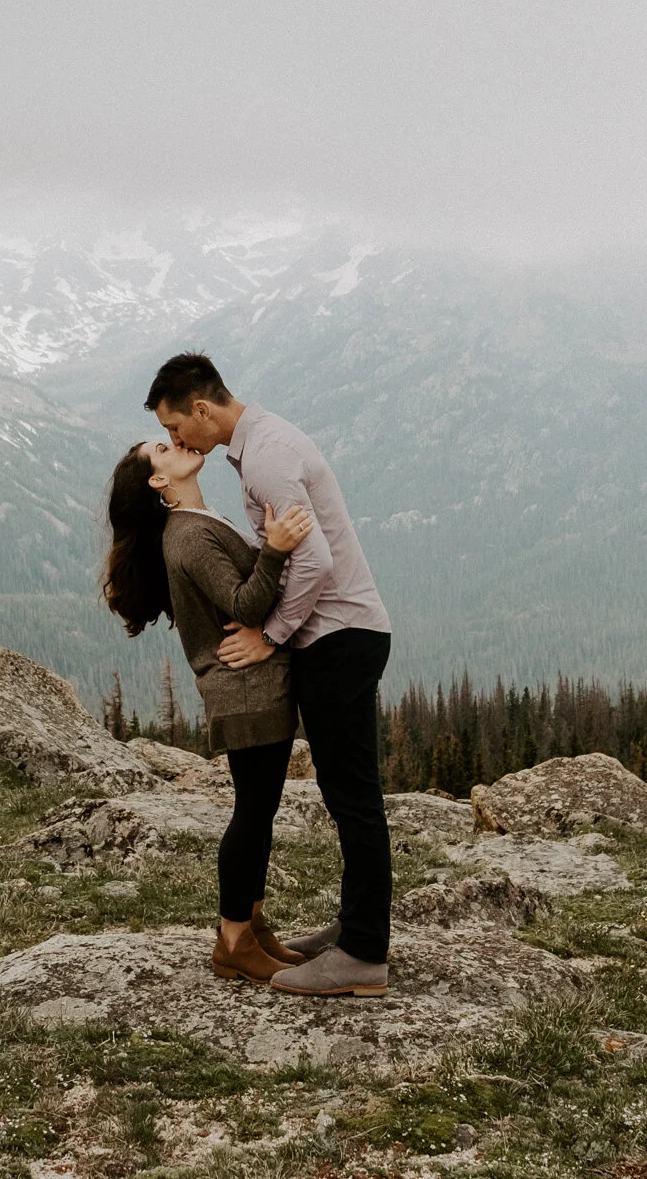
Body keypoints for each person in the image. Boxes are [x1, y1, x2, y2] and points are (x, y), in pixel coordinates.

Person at [148, 351, 394, 999]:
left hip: (338, 636)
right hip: (338, 635)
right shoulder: (259, 446)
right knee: (347, 797)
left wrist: (271, 634)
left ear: (203, 408)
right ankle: (353, 928)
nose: (178, 441)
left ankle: (364, 953)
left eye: (178, 429)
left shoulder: (264, 455)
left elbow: (309, 559)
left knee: (354, 799)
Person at [102, 437, 317, 983]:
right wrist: (274, 548)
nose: (175, 443)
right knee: (250, 815)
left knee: (260, 811)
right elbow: (245, 604)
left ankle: (254, 924)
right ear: (157, 481)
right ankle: (233, 940)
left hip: (252, 686)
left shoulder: (195, 522)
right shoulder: (190, 536)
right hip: (244, 688)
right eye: (161, 447)